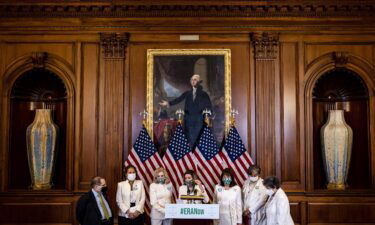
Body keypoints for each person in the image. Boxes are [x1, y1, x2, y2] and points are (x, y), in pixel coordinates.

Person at [159, 74, 212, 147]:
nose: (193, 81)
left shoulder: (204, 94)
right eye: (192, 80)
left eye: (195, 79)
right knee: (189, 139)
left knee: (198, 138)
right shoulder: (188, 93)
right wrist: (168, 103)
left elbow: (209, 106)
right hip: (188, 119)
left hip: (199, 119)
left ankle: (197, 155)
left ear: (199, 81)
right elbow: (179, 99)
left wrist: (208, 114)